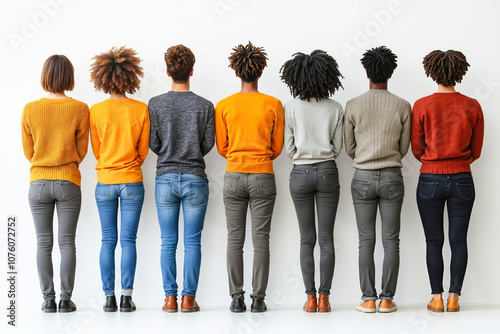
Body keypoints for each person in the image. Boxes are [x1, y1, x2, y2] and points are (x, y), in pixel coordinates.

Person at [412, 50, 484, 313]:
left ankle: (437, 298)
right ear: (460, 72)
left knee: (433, 241)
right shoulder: (472, 105)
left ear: (432, 72)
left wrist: (433, 161)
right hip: (462, 179)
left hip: (429, 179)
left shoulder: (421, 105)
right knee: (459, 241)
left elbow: (417, 149)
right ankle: (454, 298)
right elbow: (476, 151)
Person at [215, 41, 284, 313]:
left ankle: (235, 298)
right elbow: (277, 148)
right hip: (263, 176)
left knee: (234, 239)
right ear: (260, 71)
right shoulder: (273, 104)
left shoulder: (224, 105)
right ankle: (258, 299)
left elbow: (222, 147)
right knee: (261, 240)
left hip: (233, 176)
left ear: (236, 71)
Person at [344, 46, 411, 313]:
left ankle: (368, 298)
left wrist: (366, 156)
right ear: (391, 73)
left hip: (362, 178)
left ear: (366, 72)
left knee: (365, 241)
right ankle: (387, 299)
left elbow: (350, 148)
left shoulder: (353, 105)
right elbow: (403, 147)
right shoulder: (403, 105)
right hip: (393, 176)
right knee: (391, 240)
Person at [149, 44, 215, 313]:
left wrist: (168, 152)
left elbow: (153, 142)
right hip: (195, 178)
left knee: (168, 241)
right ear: (191, 71)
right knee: (192, 242)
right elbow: (208, 143)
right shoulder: (205, 106)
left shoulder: (155, 105)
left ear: (167, 71)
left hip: (165, 178)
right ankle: (188, 299)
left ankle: (169, 298)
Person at [22, 55, 89, 313]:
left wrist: (44, 161)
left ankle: (48, 300)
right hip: (68, 181)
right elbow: (81, 150)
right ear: (69, 77)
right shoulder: (80, 108)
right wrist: (65, 161)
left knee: (43, 243)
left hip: (37, 182)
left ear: (45, 75)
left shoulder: (29, 109)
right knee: (67, 242)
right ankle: (65, 300)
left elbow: (29, 151)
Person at [280, 50, 344, 312]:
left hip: (300, 173)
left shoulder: (291, 107)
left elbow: (288, 148)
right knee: (326, 240)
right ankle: (325, 299)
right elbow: (337, 148)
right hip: (328, 171)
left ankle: (309, 299)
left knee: (307, 239)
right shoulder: (336, 108)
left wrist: (302, 156)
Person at [89, 46, 150, 312]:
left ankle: (109, 298)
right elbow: (143, 152)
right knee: (128, 241)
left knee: (107, 240)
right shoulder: (141, 109)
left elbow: (97, 151)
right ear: (130, 77)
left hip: (105, 182)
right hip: (132, 181)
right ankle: (126, 298)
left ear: (102, 78)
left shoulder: (96, 111)